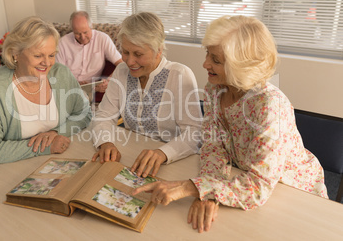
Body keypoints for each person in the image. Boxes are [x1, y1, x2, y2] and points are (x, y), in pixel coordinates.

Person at [133, 15, 328, 233]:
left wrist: (192, 187)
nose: (205, 63)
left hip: (294, 193)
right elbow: (214, 147)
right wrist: (207, 189)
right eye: (207, 53)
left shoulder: (270, 105)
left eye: (216, 60)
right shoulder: (215, 88)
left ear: (241, 66)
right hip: (242, 179)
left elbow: (258, 187)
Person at [91, 12, 202, 178]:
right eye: (125, 52)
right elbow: (104, 115)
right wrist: (105, 142)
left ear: (158, 50)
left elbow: (195, 133)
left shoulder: (179, 75)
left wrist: (163, 153)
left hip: (172, 162)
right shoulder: (121, 71)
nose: (129, 61)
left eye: (138, 54)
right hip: (130, 156)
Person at [0, 16, 92, 165]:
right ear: (15, 53)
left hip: (61, 160)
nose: (47, 63)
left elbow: (84, 112)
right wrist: (44, 147)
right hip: (13, 170)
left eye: (51, 55)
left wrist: (56, 133)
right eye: (38, 55)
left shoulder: (61, 73)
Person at [56, 11, 123, 93]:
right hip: (69, 87)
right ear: (72, 30)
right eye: (77, 33)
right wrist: (74, 84)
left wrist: (108, 81)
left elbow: (121, 63)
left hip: (94, 88)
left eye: (85, 32)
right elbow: (58, 72)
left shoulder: (103, 39)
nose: (82, 37)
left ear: (91, 27)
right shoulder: (62, 43)